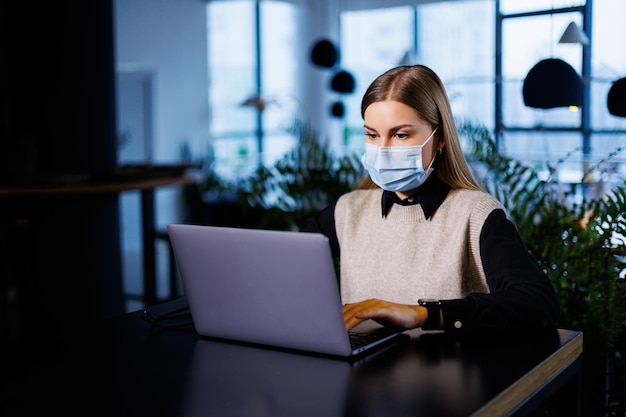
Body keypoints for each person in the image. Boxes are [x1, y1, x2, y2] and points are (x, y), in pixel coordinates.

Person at [300, 65, 560, 335]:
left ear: (440, 139)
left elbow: (539, 304)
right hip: (359, 373)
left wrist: (423, 313)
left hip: (445, 374)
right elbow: (283, 269)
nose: (383, 150)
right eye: (372, 135)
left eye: (400, 135)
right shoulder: (348, 210)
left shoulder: (476, 215)